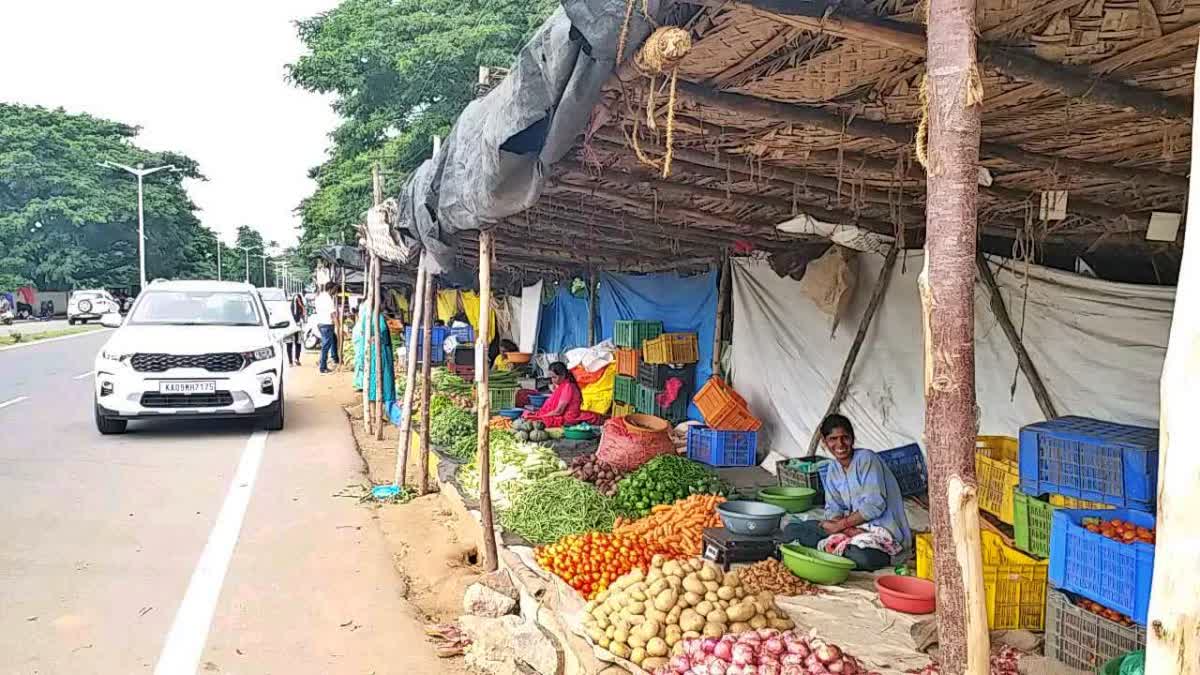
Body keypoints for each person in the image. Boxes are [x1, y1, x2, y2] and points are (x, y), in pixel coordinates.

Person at [781, 414, 912, 571]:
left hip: (884, 535)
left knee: (861, 557)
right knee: (792, 530)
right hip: (849, 531)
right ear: (824, 442)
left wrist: (841, 526)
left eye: (845, 437)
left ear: (853, 438)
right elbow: (833, 508)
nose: (840, 444)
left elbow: (874, 505)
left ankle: (831, 551)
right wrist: (846, 529)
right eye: (833, 439)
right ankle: (837, 550)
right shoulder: (832, 469)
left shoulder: (867, 459)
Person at [523, 362, 601, 428]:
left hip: (567, 417)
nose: (552, 380)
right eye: (551, 377)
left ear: (563, 375)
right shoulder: (563, 385)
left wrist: (542, 416)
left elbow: (559, 411)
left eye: (554, 377)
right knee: (529, 414)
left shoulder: (568, 387)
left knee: (536, 418)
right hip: (562, 414)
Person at [316, 281, 340, 373]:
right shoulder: (328, 299)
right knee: (326, 346)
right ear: (331, 289)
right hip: (327, 324)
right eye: (335, 289)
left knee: (332, 339)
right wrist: (338, 326)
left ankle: (334, 357)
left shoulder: (320, 297)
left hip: (321, 323)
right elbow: (333, 314)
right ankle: (323, 367)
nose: (336, 291)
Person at [286, 293, 305, 366]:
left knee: (297, 343)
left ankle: (294, 360)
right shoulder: (289, 306)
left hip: (296, 326)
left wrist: (300, 304)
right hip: (292, 326)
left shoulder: (299, 306)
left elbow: (304, 315)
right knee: (292, 343)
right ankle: (292, 361)